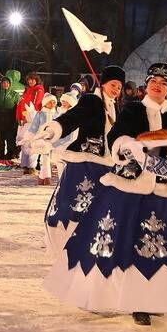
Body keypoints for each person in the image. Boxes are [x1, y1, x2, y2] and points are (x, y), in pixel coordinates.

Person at [44, 62, 167, 326]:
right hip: (131, 187)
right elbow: (116, 137)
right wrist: (130, 145)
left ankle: (157, 298)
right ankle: (136, 302)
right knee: (127, 242)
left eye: (164, 83)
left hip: (163, 188)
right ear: (147, 85)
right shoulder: (133, 109)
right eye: (154, 81)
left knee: (165, 243)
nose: (158, 86)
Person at [35, 65, 125, 254]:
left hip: (105, 168)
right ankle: (67, 245)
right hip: (85, 165)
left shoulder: (115, 106)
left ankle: (93, 245)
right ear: (104, 83)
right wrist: (53, 129)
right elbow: (72, 118)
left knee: (100, 211)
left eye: (119, 86)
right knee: (73, 207)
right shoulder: (92, 100)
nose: (116, 89)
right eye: (113, 84)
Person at [0, 71, 22, 160]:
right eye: (4, 82)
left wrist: (17, 119)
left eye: (7, 83)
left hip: (11, 122)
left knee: (10, 140)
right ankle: (1, 156)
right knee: (0, 140)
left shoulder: (15, 95)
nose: (5, 84)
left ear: (10, 84)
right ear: (1, 84)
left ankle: (10, 155)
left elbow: (19, 108)